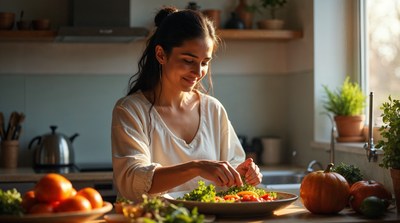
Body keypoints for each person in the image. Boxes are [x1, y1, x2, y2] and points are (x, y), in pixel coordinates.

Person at [111, 6, 262, 202]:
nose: (198, 72)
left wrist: (243, 174)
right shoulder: (130, 110)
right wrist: (196, 167)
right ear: (161, 55)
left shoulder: (213, 109)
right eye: (188, 60)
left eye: (205, 62)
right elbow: (132, 182)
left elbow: (233, 170)